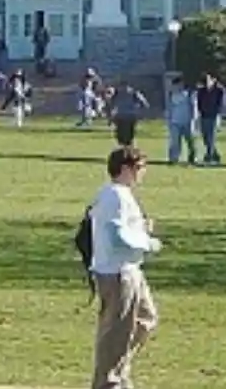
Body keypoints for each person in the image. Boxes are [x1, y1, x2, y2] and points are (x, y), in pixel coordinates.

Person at [88, 146, 161, 389]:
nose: (143, 173)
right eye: (139, 168)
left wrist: (141, 229)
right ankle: (108, 382)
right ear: (125, 169)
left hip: (131, 269)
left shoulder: (122, 195)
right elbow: (116, 236)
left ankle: (118, 371)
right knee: (117, 332)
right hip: (117, 272)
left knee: (146, 319)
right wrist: (148, 242)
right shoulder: (114, 195)